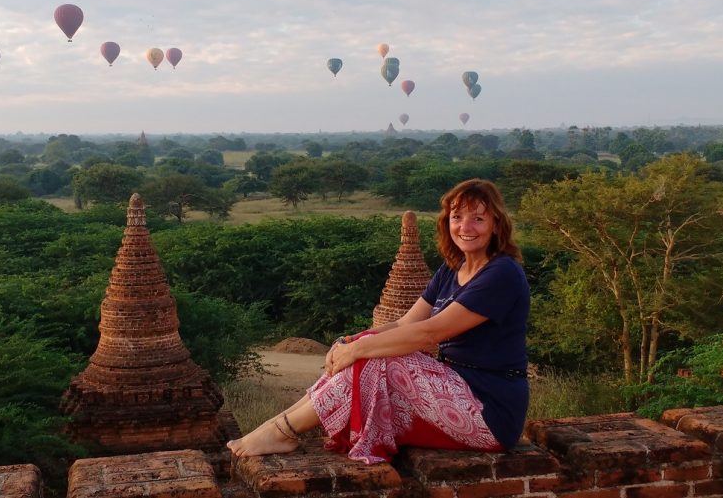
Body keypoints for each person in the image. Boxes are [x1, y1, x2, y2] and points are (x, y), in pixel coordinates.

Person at [227, 178, 529, 463]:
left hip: (490, 409)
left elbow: (429, 334)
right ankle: (277, 426)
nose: (465, 227)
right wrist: (351, 341)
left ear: (496, 224)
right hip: (454, 389)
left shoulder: (501, 274)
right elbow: (403, 324)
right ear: (446, 222)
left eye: (478, 218)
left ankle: (282, 431)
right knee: (368, 348)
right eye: (457, 217)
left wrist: (360, 350)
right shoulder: (452, 269)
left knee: (379, 356)